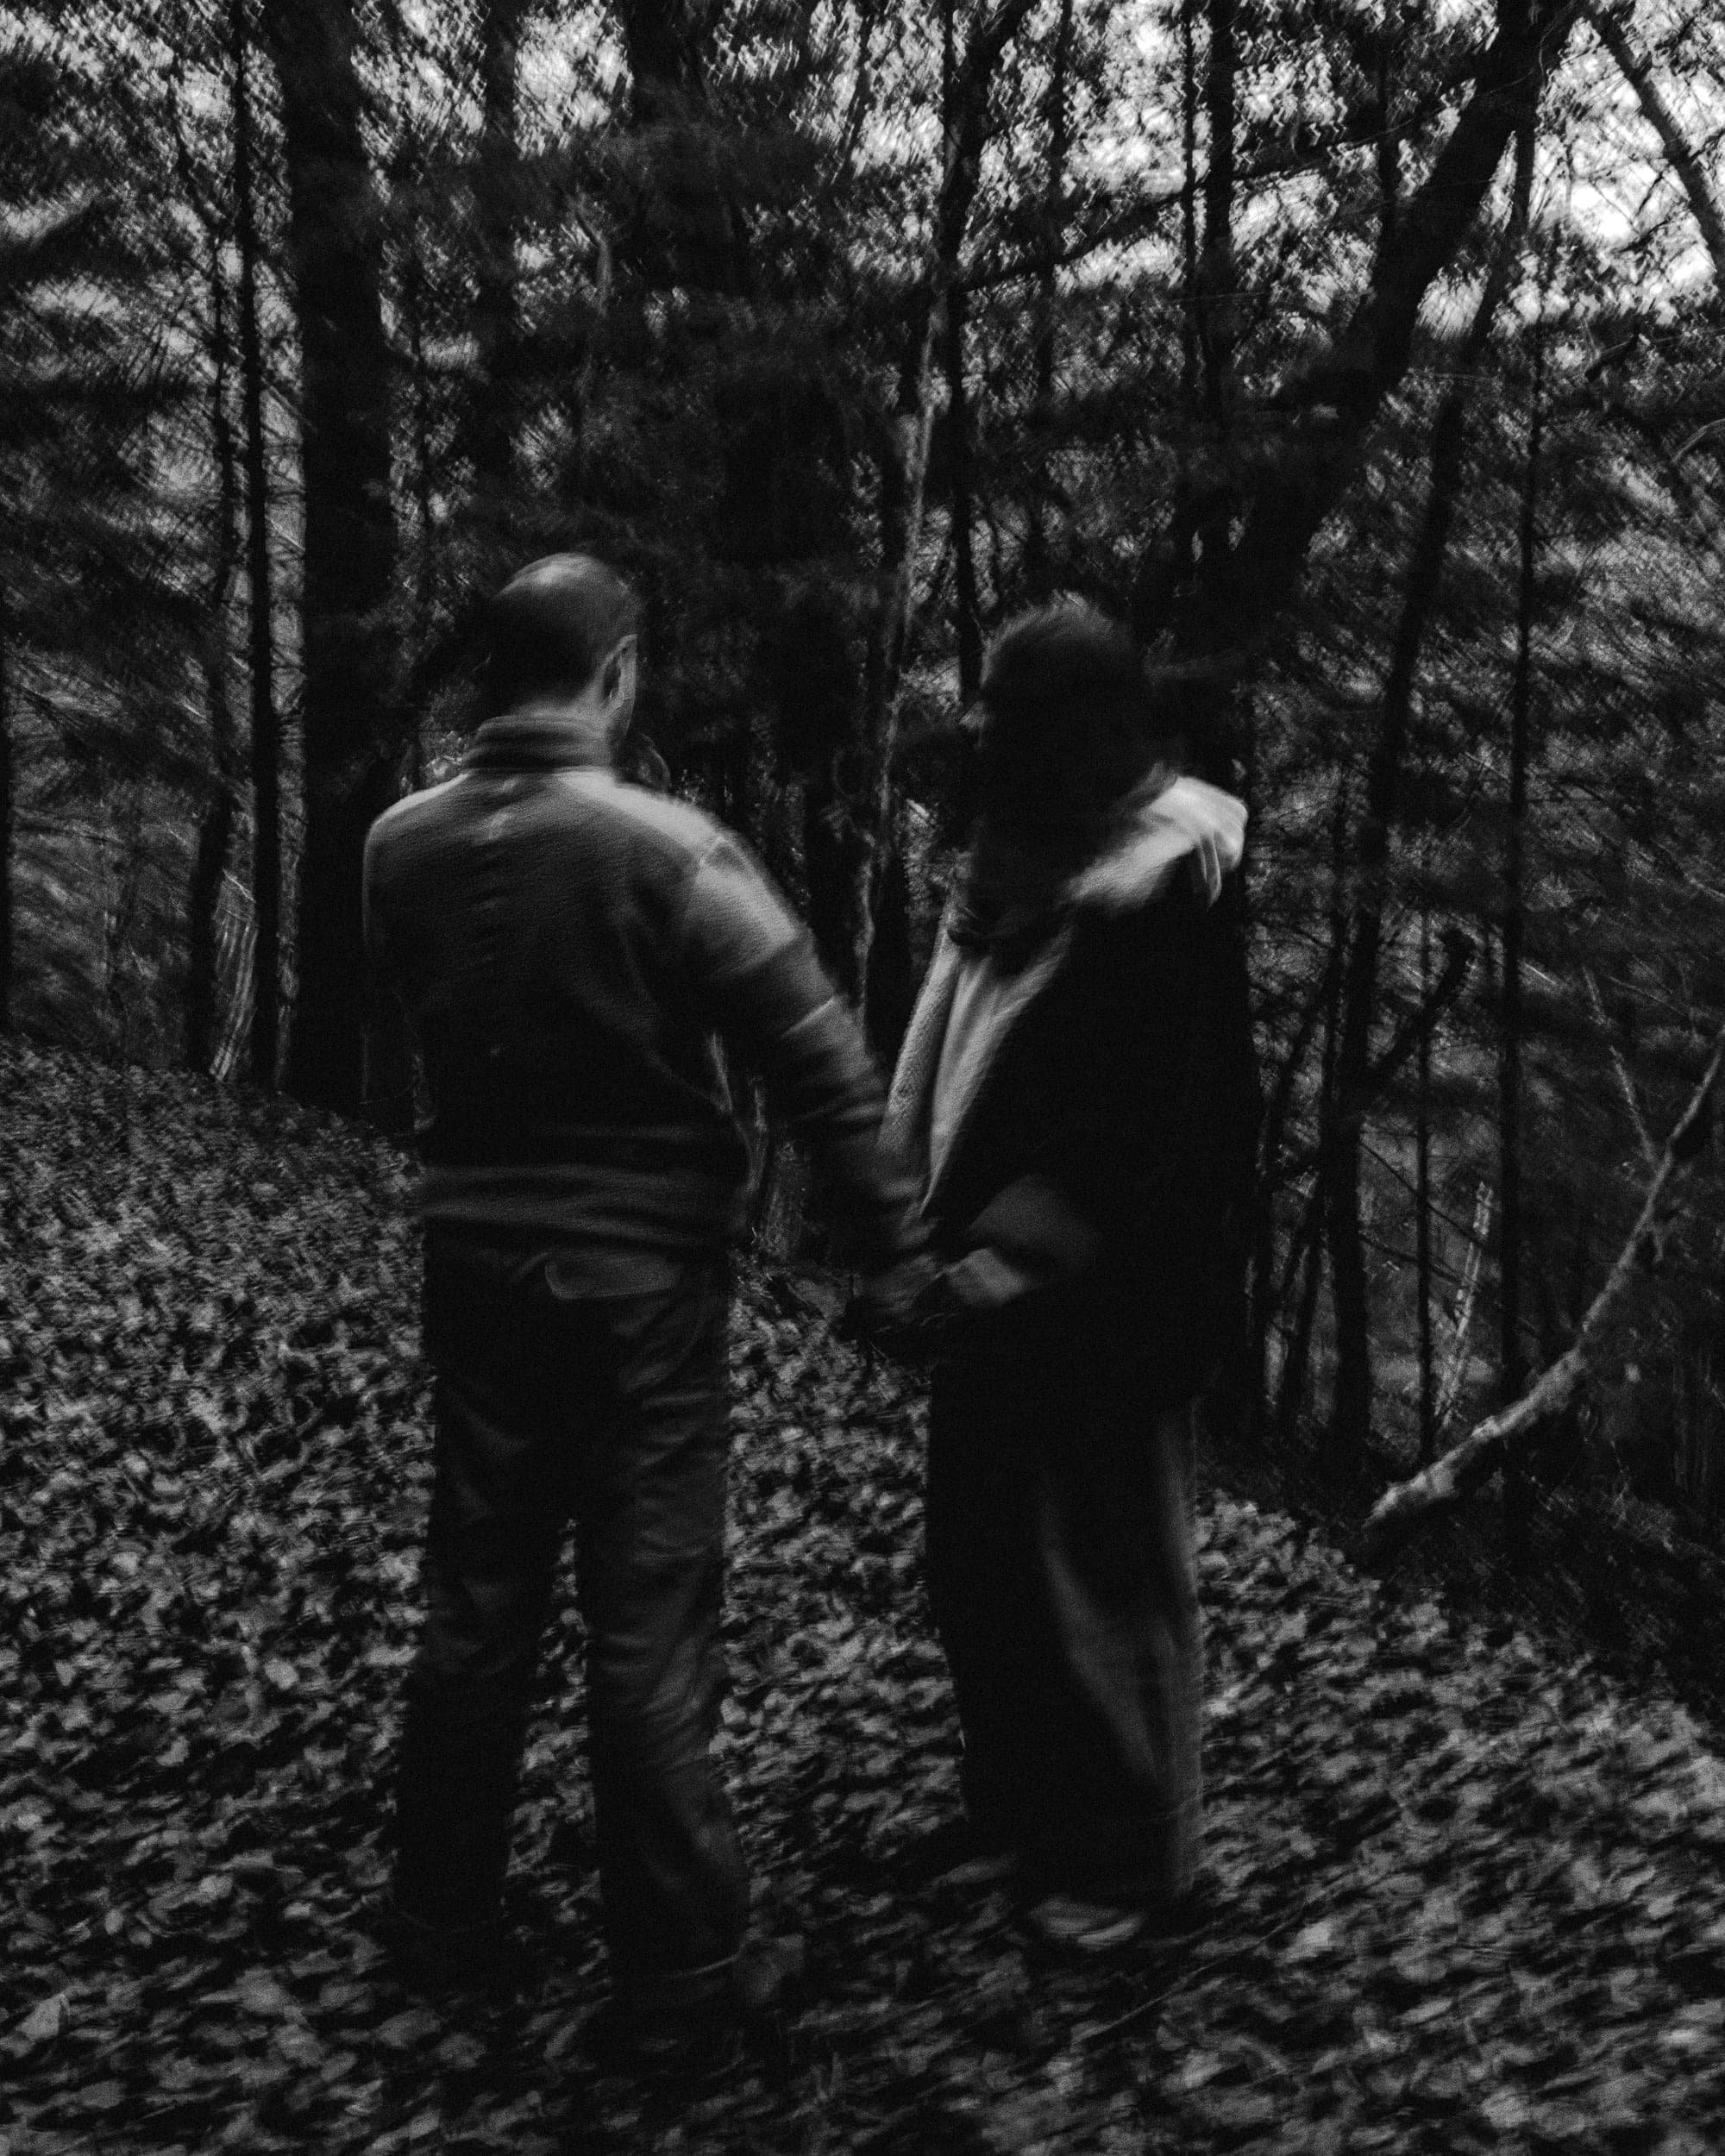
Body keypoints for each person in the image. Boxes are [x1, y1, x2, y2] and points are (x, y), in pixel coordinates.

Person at [363, 553, 929, 2065]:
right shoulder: (668, 851)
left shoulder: (395, 845)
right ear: (616, 675)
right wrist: (895, 1247)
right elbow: (814, 1051)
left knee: (478, 1593)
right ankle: (680, 1964)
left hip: (472, 1268)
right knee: (647, 1613)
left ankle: (441, 1914)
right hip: (641, 1284)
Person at [881, 602, 1258, 1952]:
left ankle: (1133, 1864)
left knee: (1101, 1577)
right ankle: (1027, 1815)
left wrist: (1002, 1267)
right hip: (990, 1294)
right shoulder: (1030, 861)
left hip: (1104, 1312)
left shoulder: (1163, 893)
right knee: (982, 1565)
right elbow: (961, 1058)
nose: (989, 753)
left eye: (1015, 730)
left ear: (1088, 738)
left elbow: (1154, 1146)